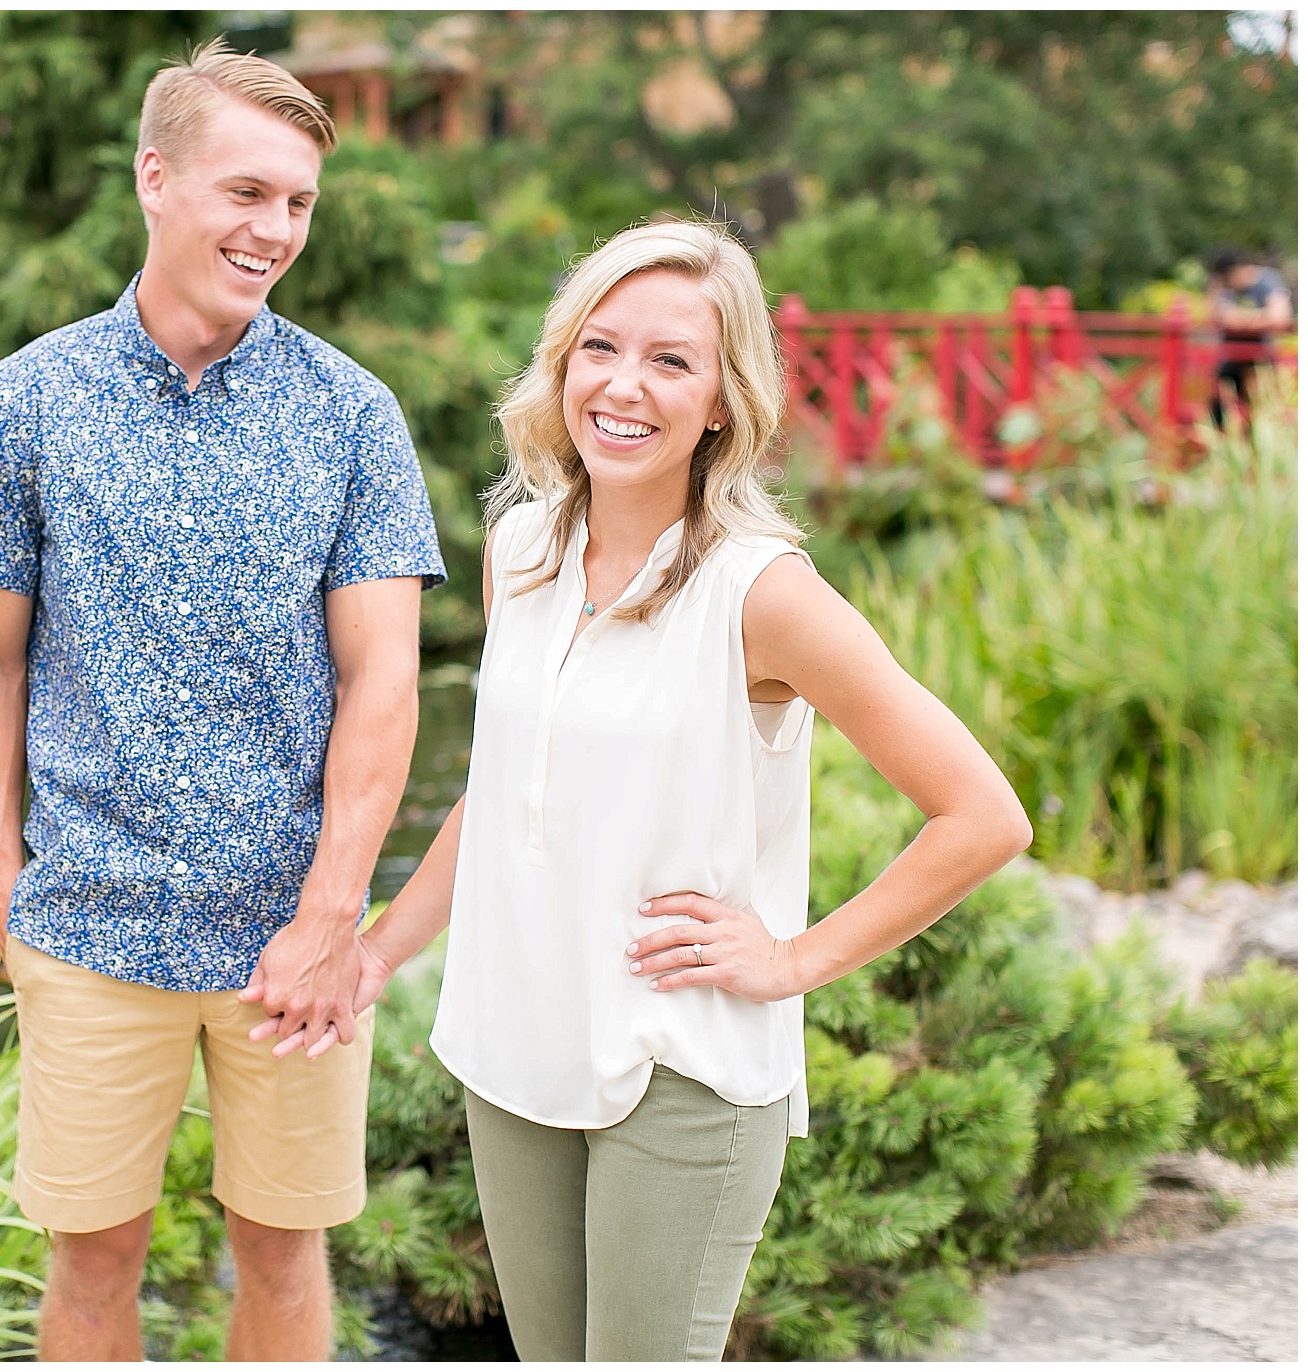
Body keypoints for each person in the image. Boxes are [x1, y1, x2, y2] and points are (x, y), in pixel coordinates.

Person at [326, 221, 1032, 1362]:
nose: (622, 385)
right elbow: (506, 792)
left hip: (680, 1071)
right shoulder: (520, 549)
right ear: (561, 367)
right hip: (511, 1053)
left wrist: (793, 960)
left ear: (718, 399)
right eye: (598, 347)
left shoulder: (763, 592)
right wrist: (375, 951)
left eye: (670, 360)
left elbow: (983, 815)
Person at [0, 38, 445, 1363]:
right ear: (157, 181)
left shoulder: (353, 415)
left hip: (294, 946)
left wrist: (335, 914)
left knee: (281, 1256)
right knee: (93, 1266)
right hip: (91, 922)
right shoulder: (24, 402)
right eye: (246, 193)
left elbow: (383, 676)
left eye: (298, 204)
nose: (274, 229)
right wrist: (1, 877)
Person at [1206, 247, 1294, 430]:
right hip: (1230, 359)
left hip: (1262, 358)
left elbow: (1279, 318)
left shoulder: (1269, 281)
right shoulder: (1225, 287)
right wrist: (1259, 318)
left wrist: (1242, 320)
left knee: (1263, 410)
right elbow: (1217, 317)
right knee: (1219, 407)